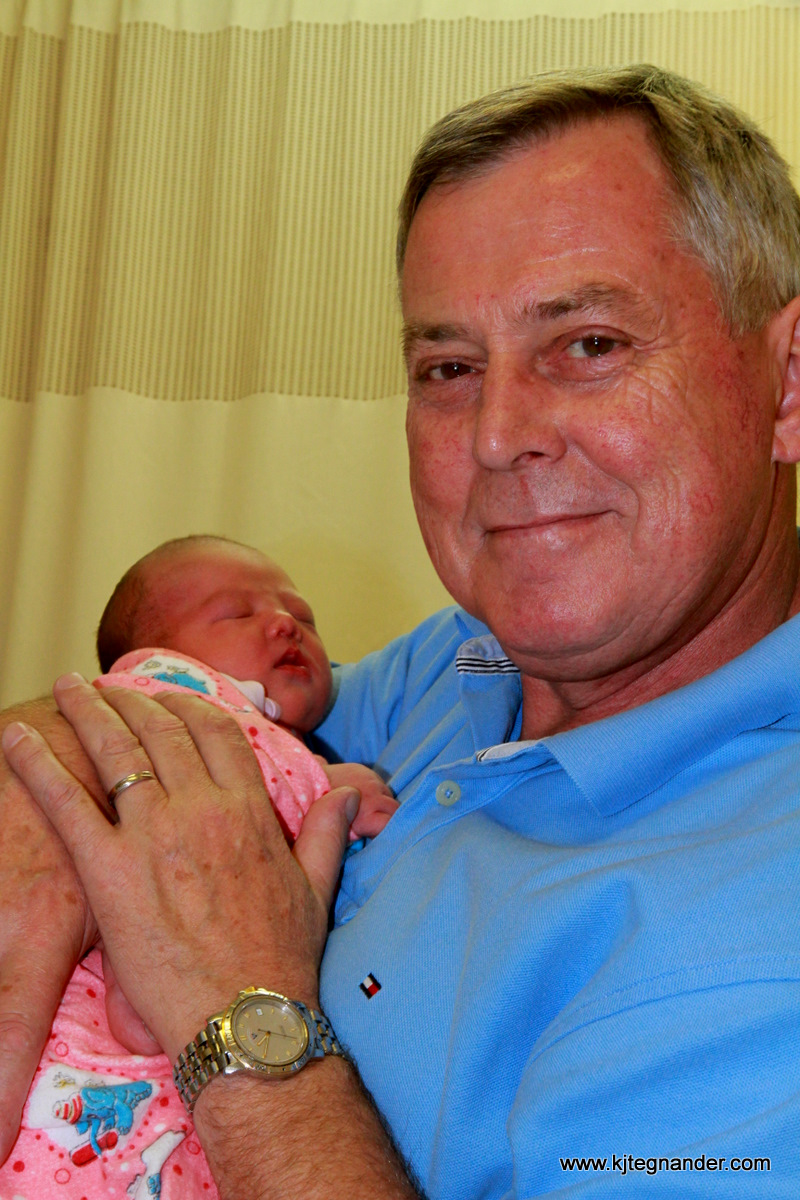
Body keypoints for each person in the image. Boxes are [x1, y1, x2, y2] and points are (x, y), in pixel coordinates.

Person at [3, 62, 800, 1198]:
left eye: (588, 345)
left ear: (785, 385)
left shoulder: (763, 931)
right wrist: (44, 781)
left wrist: (241, 1009)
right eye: (449, 368)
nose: (496, 434)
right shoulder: (470, 658)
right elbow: (218, 699)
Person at [0, 535, 396, 1199]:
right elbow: (241, 783)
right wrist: (327, 787)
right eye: (237, 613)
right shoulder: (179, 700)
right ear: (152, 655)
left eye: (304, 616)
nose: (286, 623)